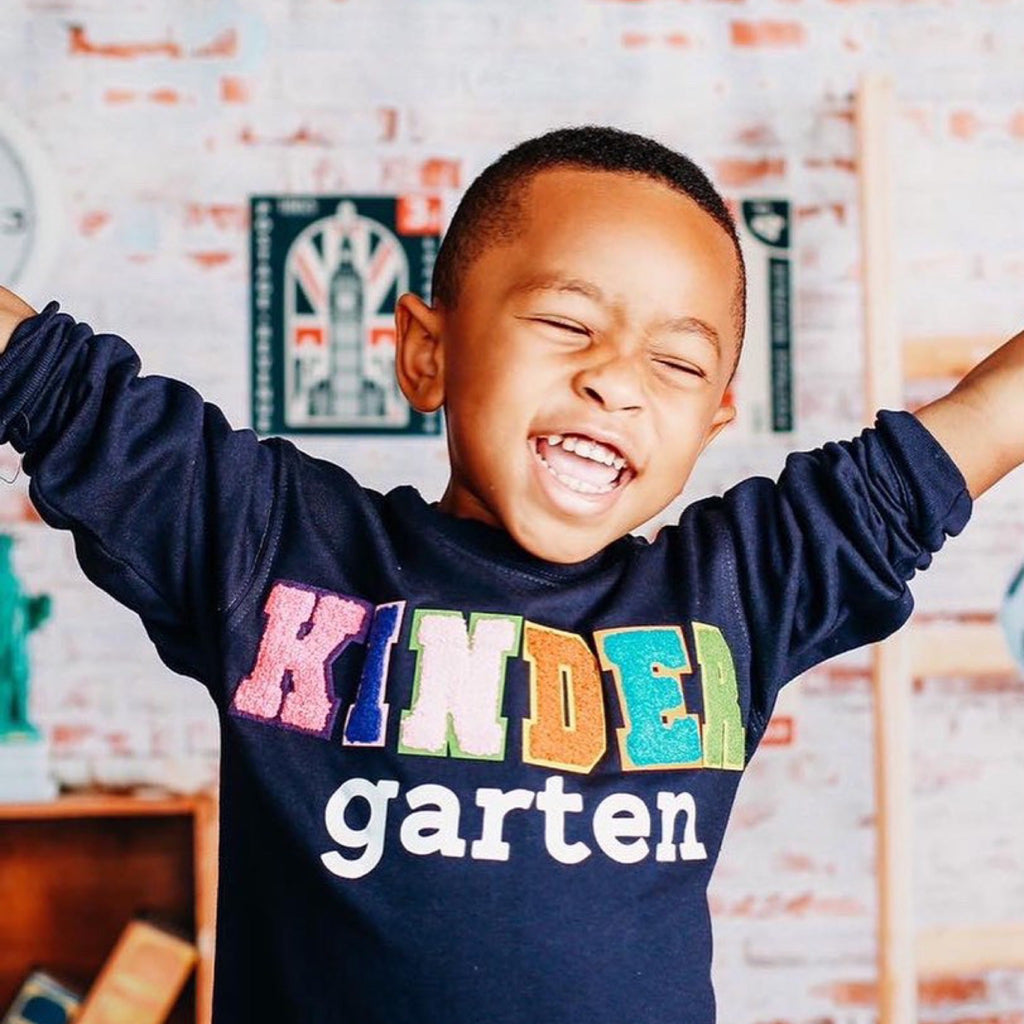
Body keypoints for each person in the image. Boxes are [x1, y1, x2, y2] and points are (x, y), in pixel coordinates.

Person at [0, 125, 1016, 1024]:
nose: (615, 377)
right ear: (425, 354)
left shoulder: (737, 591)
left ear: (711, 421)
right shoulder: (271, 545)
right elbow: (54, 383)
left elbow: (972, 427)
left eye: (675, 362)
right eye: (568, 324)